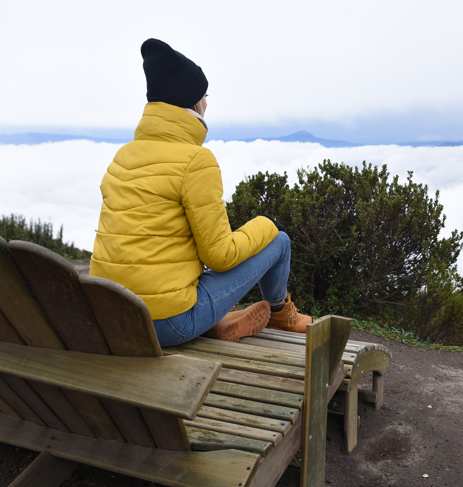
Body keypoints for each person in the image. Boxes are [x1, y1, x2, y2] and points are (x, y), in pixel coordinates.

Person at [89, 38, 311, 347]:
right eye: (204, 95)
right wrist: (267, 224)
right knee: (279, 241)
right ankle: (278, 311)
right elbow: (220, 256)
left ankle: (218, 323)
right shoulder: (196, 160)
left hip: (109, 313)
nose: (207, 102)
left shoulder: (123, 156)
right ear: (193, 101)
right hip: (166, 324)